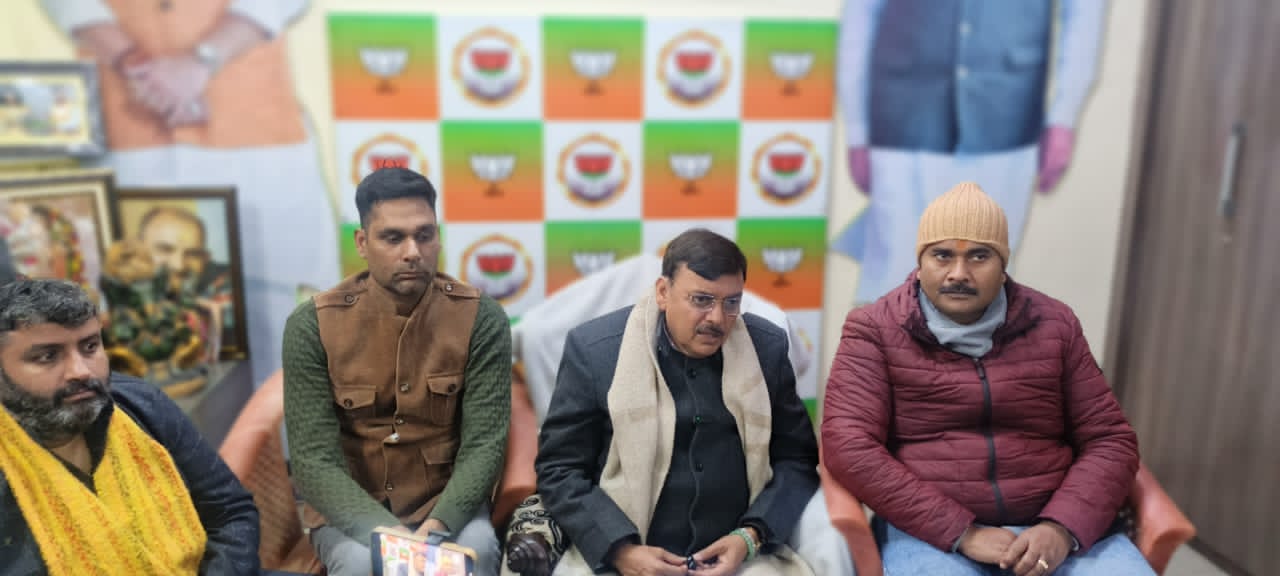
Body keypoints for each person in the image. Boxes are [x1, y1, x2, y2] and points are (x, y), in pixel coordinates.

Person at [822, 182, 1152, 575]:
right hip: (933, 535)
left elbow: (1110, 439)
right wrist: (963, 532)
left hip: (1052, 524)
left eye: (979, 256)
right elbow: (849, 446)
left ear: (1003, 263)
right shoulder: (874, 329)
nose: (959, 273)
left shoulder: (1056, 324)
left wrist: (1061, 529)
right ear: (921, 260)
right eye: (942, 255)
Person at [41, 0, 342, 387]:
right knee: (135, 322)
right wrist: (132, 61)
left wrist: (201, 62)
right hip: (127, 131)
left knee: (286, 320)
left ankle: (287, 430)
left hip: (257, 137)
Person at [534, 228, 846, 576]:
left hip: (741, 556)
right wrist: (620, 550)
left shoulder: (765, 349)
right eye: (701, 300)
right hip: (626, 553)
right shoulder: (596, 351)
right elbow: (560, 469)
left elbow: (796, 460)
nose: (717, 319)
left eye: (731, 302)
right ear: (663, 292)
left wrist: (750, 536)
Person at [283, 167, 510, 576]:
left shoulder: (481, 318)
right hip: (353, 508)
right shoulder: (312, 324)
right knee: (360, 565)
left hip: (445, 504)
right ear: (362, 242)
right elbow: (314, 460)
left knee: (474, 554)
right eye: (393, 237)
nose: (413, 252)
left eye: (425, 235)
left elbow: (484, 444)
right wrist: (391, 538)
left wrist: (437, 527)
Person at [832, 0, 1107, 304]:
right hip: (904, 115)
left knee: (985, 279)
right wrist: (857, 128)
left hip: (1007, 115)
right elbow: (861, 11)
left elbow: (1084, 10)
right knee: (893, 276)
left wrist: (1064, 117)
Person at [0, 278, 259, 574]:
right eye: (48, 356)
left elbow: (231, 512)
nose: (81, 371)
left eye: (90, 347)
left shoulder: (141, 404)